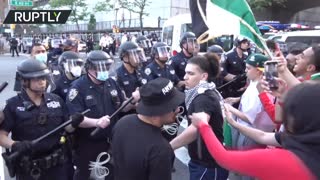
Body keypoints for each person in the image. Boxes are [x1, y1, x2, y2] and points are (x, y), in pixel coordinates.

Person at [189, 81, 320, 180]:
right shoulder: (304, 140)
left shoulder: (284, 161)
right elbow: (263, 136)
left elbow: (224, 158)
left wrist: (203, 126)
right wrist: (235, 123)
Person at [0, 59, 84, 180]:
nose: (42, 82)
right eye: (37, 79)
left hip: (58, 167)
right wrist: (15, 145)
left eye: (44, 78)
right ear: (24, 81)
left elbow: (67, 128)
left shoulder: (56, 100)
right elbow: (1, 135)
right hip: (30, 170)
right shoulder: (13, 105)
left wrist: (74, 122)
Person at [66, 50, 138, 180]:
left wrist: (133, 100)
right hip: (88, 143)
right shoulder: (78, 88)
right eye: (101, 67)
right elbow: (76, 118)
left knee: (113, 174)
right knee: (85, 176)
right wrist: (96, 122)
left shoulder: (111, 83)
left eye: (106, 67)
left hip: (111, 141)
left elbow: (123, 107)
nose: (105, 70)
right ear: (90, 68)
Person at [112, 78, 185, 180]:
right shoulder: (161, 149)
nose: (178, 110)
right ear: (161, 110)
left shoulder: (123, 122)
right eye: (173, 107)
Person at [170, 53, 229, 180]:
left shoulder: (204, 97)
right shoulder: (200, 93)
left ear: (203, 76)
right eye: (185, 73)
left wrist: (168, 147)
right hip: (203, 162)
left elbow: (197, 127)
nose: (185, 77)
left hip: (208, 165)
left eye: (191, 74)